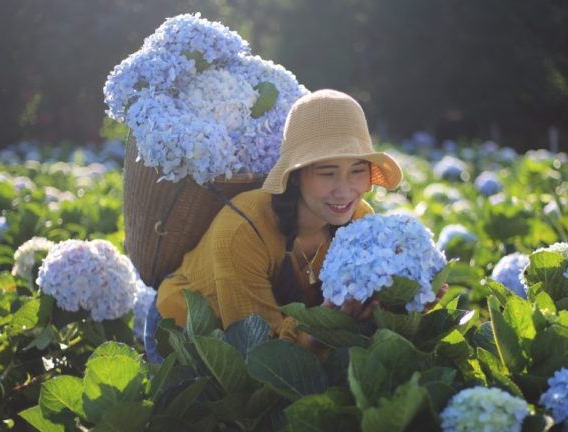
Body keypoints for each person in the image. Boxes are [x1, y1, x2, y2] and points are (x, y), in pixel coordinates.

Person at [156, 89, 406, 350]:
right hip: (184, 335)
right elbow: (261, 351)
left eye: (357, 171)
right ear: (296, 175)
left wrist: (404, 301)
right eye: (328, 173)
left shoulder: (360, 219)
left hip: (293, 340)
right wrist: (324, 332)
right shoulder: (242, 228)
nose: (344, 191)